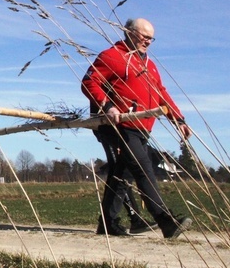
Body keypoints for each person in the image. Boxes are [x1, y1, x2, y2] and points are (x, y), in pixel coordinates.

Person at [82, 18, 193, 239]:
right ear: (129, 32)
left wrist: (178, 119)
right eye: (144, 36)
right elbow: (89, 82)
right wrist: (108, 105)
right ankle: (166, 221)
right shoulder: (112, 56)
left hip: (143, 127)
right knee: (143, 169)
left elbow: (161, 92)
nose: (148, 42)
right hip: (120, 125)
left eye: (151, 38)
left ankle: (108, 223)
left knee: (120, 175)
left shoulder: (148, 64)